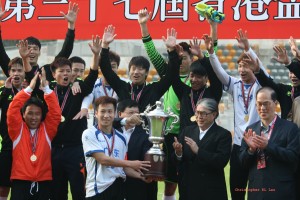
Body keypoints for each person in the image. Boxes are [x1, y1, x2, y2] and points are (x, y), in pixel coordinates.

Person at [138, 9, 219, 199]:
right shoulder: (169, 74)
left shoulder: (197, 83)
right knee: (166, 176)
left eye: (184, 58)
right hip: (165, 131)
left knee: (185, 176)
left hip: (191, 131)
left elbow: (212, 60)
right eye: (178, 58)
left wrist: (211, 32)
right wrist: (143, 26)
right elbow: (152, 53)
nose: (181, 61)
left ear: (192, 59)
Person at [207, 29, 270, 200]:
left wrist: (248, 48)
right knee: (237, 190)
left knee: (260, 190)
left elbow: (263, 71)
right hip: (238, 146)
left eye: (246, 66)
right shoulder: (234, 84)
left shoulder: (261, 84)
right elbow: (219, 72)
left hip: (259, 143)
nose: (242, 69)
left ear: (254, 68)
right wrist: (211, 53)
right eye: (240, 66)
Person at [48, 36, 100, 200]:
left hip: (76, 149)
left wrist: (96, 56)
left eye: (68, 71)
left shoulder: (78, 90)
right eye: (61, 71)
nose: (65, 74)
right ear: (54, 74)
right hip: (54, 149)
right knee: (57, 192)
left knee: (80, 191)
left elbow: (91, 78)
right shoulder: (48, 91)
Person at [82, 96, 151, 200]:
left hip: (118, 189)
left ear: (115, 114)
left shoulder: (121, 137)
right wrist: (132, 163)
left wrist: (141, 176)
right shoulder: (89, 133)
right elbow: (103, 160)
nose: (106, 115)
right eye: (103, 111)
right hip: (98, 191)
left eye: (110, 111)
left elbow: (123, 167)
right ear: (96, 113)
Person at [7, 70, 61, 200]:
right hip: (20, 180)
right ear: (23, 114)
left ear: (42, 115)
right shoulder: (17, 129)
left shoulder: (47, 130)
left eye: (37, 114)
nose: (34, 117)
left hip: (43, 181)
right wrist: (29, 88)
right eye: (30, 113)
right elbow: (12, 109)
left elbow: (55, 114)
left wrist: (47, 89)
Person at [239, 87, 300, 200]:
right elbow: (242, 162)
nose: (262, 108)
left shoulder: (290, 128)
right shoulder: (251, 129)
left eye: (266, 104)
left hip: (281, 189)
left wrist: (268, 146)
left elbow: (293, 157)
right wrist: (251, 151)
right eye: (259, 104)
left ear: (275, 103)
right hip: (256, 190)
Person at [99, 25, 176, 113]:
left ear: (147, 72)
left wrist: (171, 51)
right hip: (126, 126)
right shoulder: (123, 87)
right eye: (133, 69)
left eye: (140, 69)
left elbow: (171, 76)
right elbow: (106, 70)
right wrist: (104, 46)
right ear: (129, 71)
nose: (136, 72)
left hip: (146, 126)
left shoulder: (154, 89)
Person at [0, 2, 78, 82]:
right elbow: (1, 54)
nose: (31, 51)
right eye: (28, 48)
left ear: (39, 52)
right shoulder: (15, 70)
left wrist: (71, 26)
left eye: (35, 48)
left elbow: (65, 52)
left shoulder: (47, 71)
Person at [173, 98, 232, 200]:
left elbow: (221, 161)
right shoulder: (187, 131)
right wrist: (178, 153)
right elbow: (178, 162)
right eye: (197, 112)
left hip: (210, 190)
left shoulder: (223, 134)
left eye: (203, 113)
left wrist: (198, 151)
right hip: (188, 188)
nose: (199, 116)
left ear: (214, 115)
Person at [116, 99, 158, 200]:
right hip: (113, 184)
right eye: (131, 113)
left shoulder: (145, 135)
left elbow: (146, 160)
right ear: (120, 113)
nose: (135, 116)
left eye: (137, 113)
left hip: (135, 184)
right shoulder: (111, 129)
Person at [0, 57, 25, 199]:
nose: (16, 73)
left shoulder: (30, 91)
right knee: (3, 185)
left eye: (19, 70)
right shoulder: (3, 91)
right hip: (8, 145)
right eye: (13, 70)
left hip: (26, 145)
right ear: (9, 72)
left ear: (24, 73)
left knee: (22, 184)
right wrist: (6, 91)